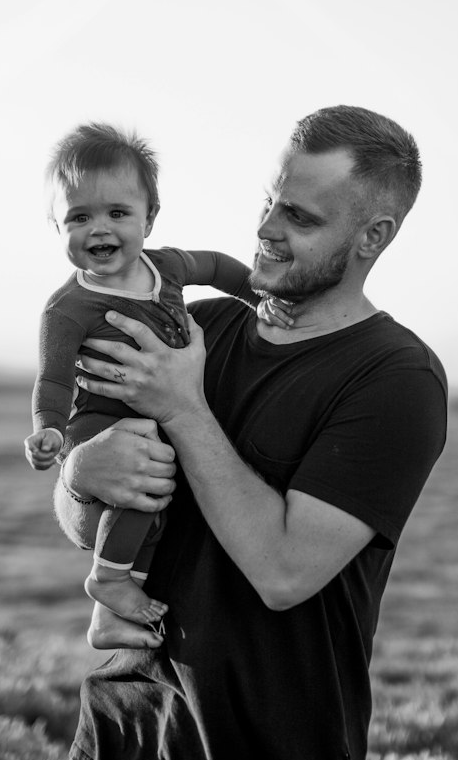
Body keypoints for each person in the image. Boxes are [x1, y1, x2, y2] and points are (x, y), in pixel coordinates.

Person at [12, 105, 448, 760]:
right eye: (268, 202)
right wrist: (81, 477)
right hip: (123, 747)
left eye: (301, 217)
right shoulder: (190, 324)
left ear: (373, 236)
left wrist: (187, 408)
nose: (265, 230)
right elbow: (80, 512)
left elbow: (285, 568)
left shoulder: (394, 380)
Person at [24, 121, 291, 645]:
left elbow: (215, 266)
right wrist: (50, 431)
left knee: (157, 505)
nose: (99, 229)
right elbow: (53, 378)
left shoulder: (164, 267)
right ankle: (109, 579)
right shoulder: (68, 307)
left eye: (117, 213)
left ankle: (110, 617)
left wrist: (256, 297)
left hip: (151, 421)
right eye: (79, 217)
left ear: (151, 217)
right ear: (55, 227)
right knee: (143, 493)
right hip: (99, 423)